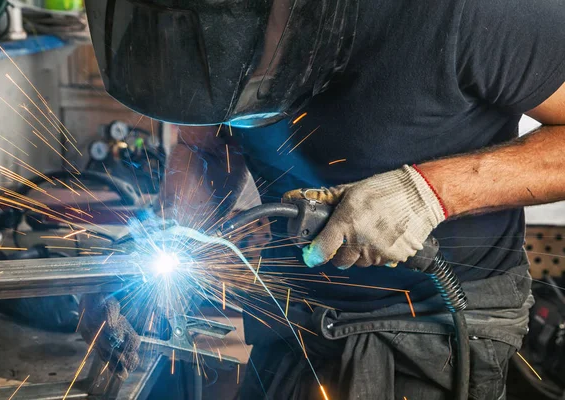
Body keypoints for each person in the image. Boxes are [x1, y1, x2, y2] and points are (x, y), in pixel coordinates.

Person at [80, 0, 565, 398]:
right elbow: (201, 147)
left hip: (436, 323)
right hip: (294, 315)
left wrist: (429, 193)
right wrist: (165, 246)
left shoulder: (469, 11)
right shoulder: (198, 23)